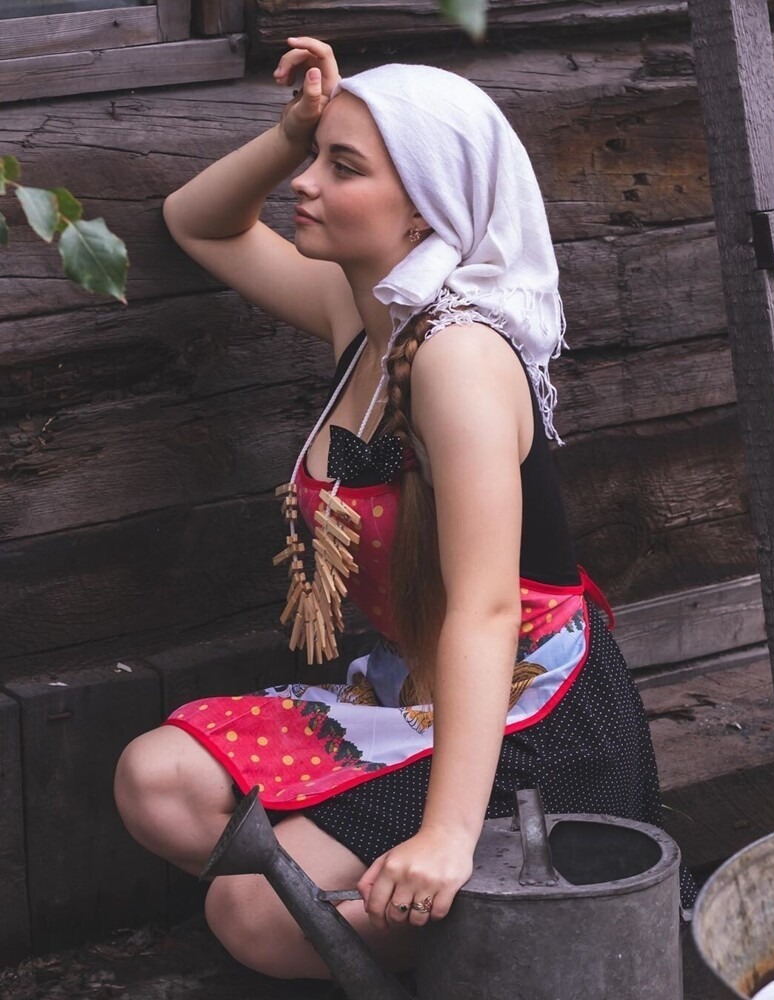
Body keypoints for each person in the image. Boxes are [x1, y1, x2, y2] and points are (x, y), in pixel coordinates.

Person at [114, 37, 694, 981]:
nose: (303, 183)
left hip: (524, 725)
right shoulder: (369, 321)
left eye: (341, 167)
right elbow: (200, 223)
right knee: (158, 782)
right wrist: (293, 128)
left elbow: (487, 609)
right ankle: (414, 920)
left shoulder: (460, 357)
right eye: (315, 158)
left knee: (253, 913)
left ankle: (495, 930)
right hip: (405, 695)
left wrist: (446, 837)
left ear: (427, 212)